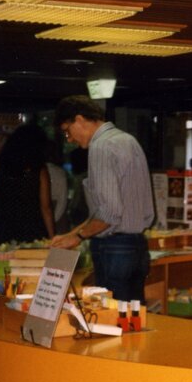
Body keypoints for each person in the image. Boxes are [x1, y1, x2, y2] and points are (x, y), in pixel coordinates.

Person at [50, 96, 155, 303]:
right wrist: (71, 233)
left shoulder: (101, 147)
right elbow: (107, 210)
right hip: (137, 246)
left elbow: (108, 213)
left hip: (114, 248)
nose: (69, 139)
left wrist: (77, 237)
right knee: (133, 318)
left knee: (113, 320)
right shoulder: (128, 140)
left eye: (67, 130)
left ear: (79, 119)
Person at [0, 123, 55, 245]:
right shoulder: (39, 169)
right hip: (32, 230)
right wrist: (52, 237)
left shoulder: (0, 166)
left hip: (4, 228)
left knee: (4, 262)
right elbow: (46, 207)